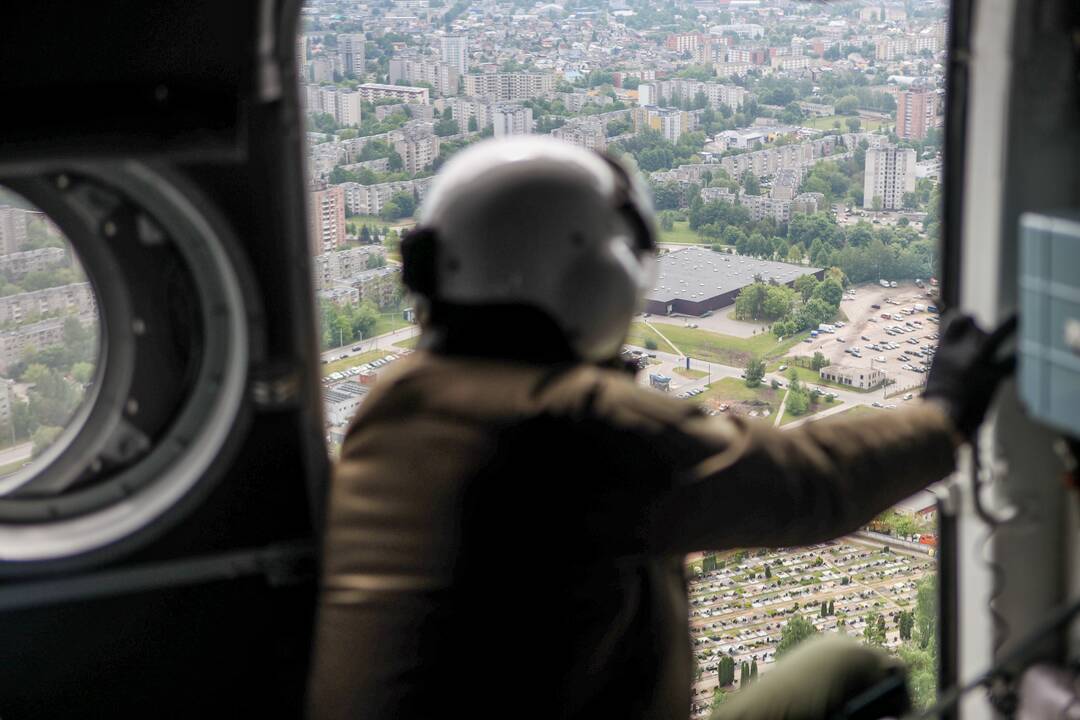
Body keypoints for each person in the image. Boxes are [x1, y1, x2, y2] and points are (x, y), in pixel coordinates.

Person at [307, 137, 1013, 720]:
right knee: (848, 669)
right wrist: (943, 413)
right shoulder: (572, 421)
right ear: (598, 276)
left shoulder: (395, 401)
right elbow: (806, 486)